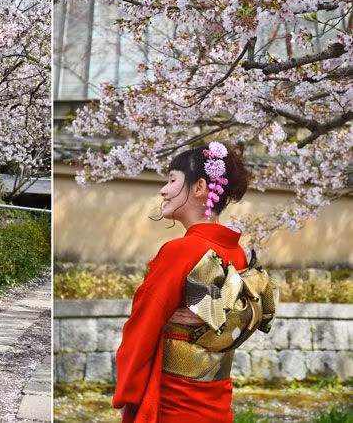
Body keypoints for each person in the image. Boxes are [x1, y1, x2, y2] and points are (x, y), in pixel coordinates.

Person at [112, 142, 272, 422]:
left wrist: (128, 393)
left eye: (172, 180)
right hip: (217, 397)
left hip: (175, 401)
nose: (164, 190)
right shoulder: (236, 253)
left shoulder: (181, 251)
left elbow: (142, 326)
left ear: (199, 187)